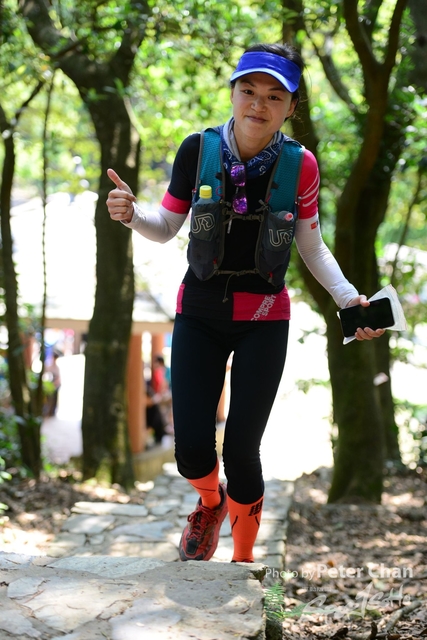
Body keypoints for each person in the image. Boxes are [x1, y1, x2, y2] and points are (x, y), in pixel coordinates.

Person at [106, 43, 385, 564]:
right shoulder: (198, 150)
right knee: (191, 450)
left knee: (241, 450)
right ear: (233, 93)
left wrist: (350, 298)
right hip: (200, 311)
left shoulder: (300, 166)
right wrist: (131, 215)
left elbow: (311, 245)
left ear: (291, 107)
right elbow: (166, 227)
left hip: (263, 317)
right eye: (249, 90)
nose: (259, 104)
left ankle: (243, 563)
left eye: (274, 96)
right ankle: (209, 504)